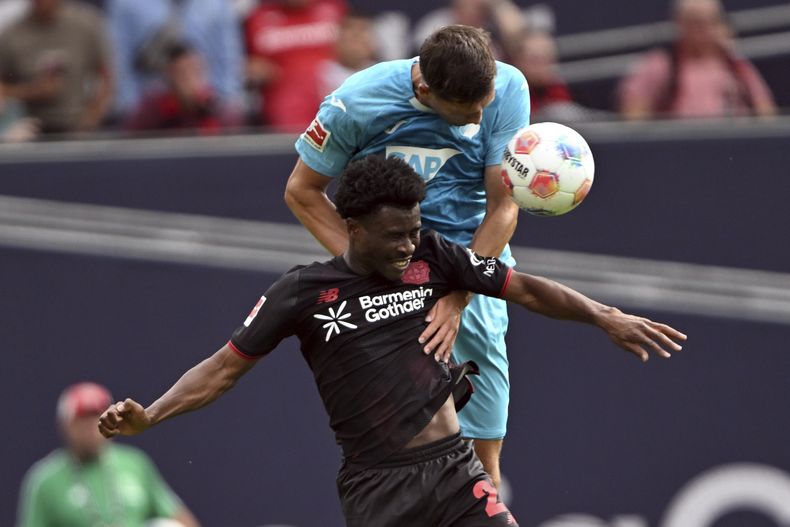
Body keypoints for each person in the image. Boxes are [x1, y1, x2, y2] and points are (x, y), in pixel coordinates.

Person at [99, 156, 685, 527]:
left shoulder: (433, 256)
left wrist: (605, 316)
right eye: (393, 235)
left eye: (414, 229)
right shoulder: (301, 293)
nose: (409, 245)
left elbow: (524, 289)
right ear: (352, 229)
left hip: (455, 469)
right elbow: (222, 369)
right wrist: (150, 415)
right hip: (379, 488)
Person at [284, 24, 527, 488]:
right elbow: (302, 192)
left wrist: (457, 298)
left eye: (485, 103)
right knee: (405, 462)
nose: (480, 119)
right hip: (393, 274)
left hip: (472, 265)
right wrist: (374, 275)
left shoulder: (509, 86)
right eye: (467, 111)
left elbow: (504, 207)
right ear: (424, 89)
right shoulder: (353, 104)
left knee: (483, 463)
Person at [17, 382, 200, 527]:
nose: (91, 427)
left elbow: (178, 518)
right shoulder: (45, 480)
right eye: (82, 419)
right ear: (66, 426)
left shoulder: (135, 463)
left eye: (97, 417)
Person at [618, 0, 776, 120]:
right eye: (696, 22)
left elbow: (766, 115)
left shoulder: (737, 66)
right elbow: (633, 118)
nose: (704, 29)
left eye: (711, 21)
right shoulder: (660, 65)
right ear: (680, 24)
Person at [106, 0, 244, 121]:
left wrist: (222, 109)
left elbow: (227, 64)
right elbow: (119, 63)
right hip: (150, 114)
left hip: (205, 111)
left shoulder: (216, 3)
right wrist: (131, 115)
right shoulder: (126, 4)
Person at [0, 0, 113, 135]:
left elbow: (106, 76)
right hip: (28, 129)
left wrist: (92, 118)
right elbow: (2, 88)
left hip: (75, 127)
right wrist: (32, 91)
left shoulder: (85, 25)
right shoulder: (11, 34)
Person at [244, 0, 347, 131]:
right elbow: (245, 65)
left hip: (334, 102)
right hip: (284, 108)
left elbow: (361, 51)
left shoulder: (335, 10)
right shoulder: (257, 18)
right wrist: (254, 69)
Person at [126, 44, 235, 134]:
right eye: (182, 73)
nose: (190, 79)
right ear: (169, 75)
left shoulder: (220, 111)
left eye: (196, 71)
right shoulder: (151, 111)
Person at [316, 10, 378, 98]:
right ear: (337, 41)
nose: (356, 35)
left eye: (363, 29)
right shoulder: (320, 75)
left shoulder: (383, 74)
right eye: (349, 29)